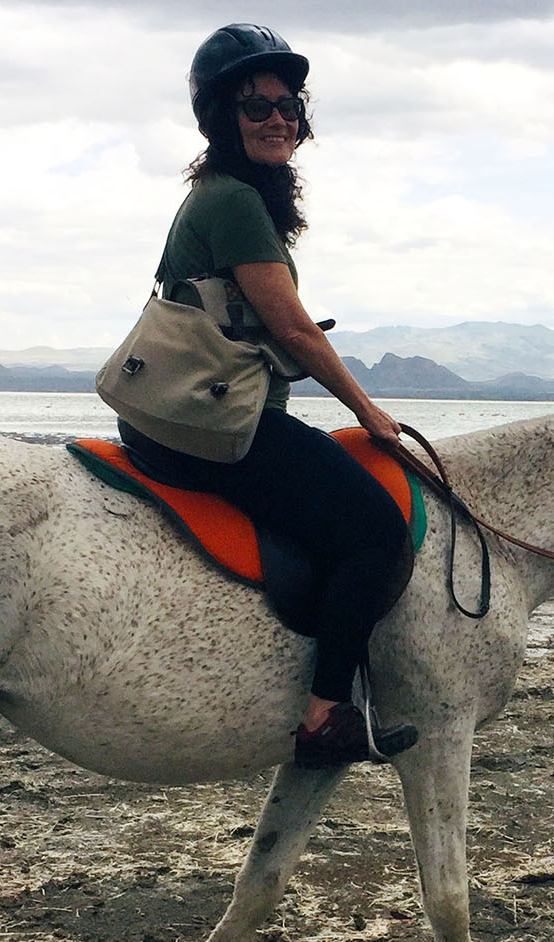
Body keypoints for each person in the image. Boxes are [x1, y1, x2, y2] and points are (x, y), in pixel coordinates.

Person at [117, 23, 417, 769]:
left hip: (170, 416)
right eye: (257, 107)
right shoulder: (235, 205)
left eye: (290, 108)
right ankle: (324, 717)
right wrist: (367, 412)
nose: (279, 119)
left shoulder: (218, 196)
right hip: (216, 425)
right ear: (222, 118)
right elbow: (295, 330)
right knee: (375, 534)